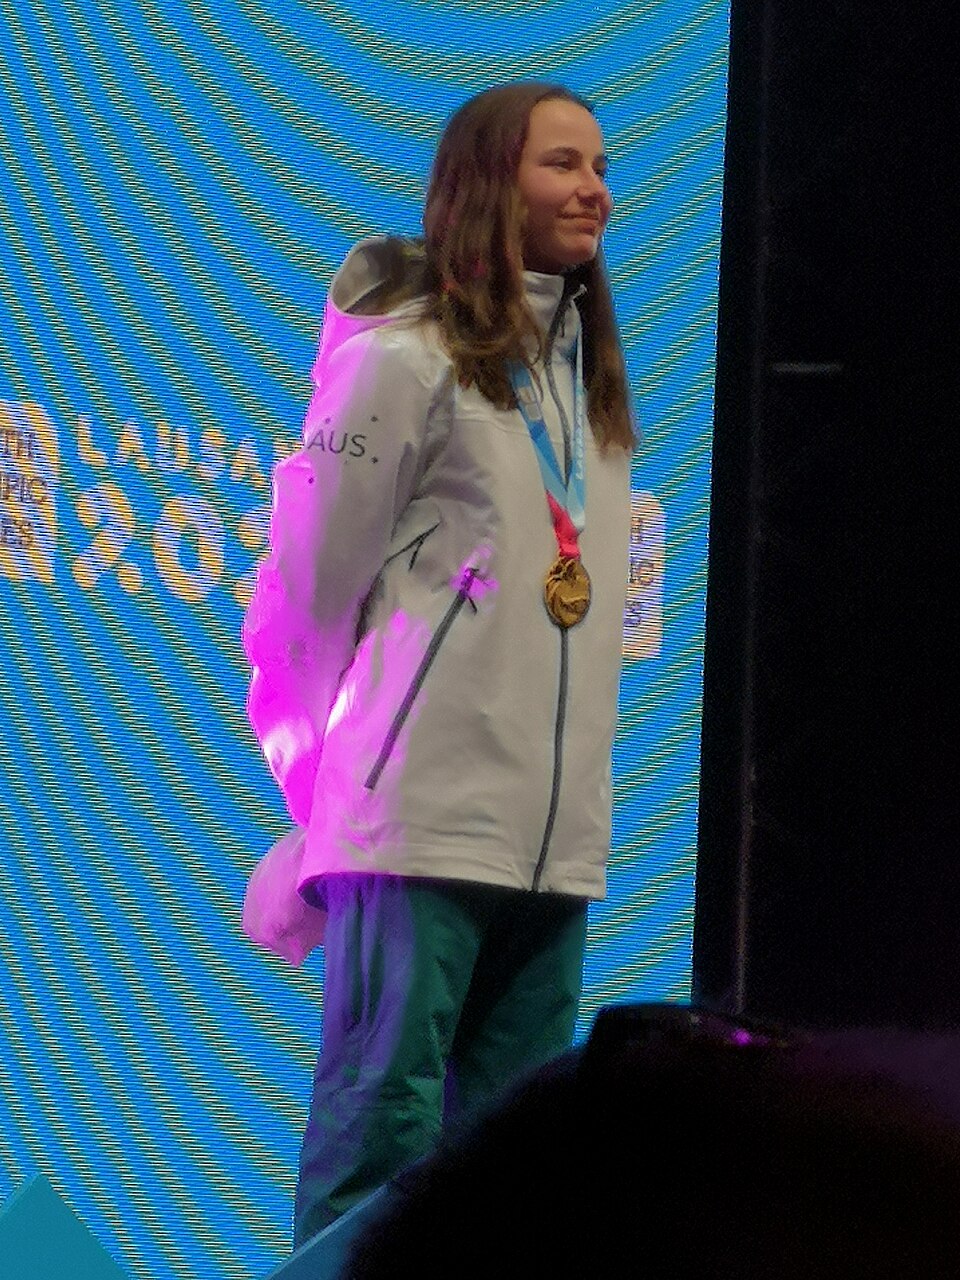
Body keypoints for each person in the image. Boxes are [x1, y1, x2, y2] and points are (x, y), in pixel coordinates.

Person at [242, 80, 635, 1248]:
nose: (595, 190)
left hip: (552, 852)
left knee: (515, 1183)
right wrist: (327, 805)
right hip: (414, 830)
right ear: (487, 185)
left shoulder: (588, 395)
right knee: (378, 1151)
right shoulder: (403, 364)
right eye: (563, 164)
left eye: (601, 166)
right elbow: (302, 602)